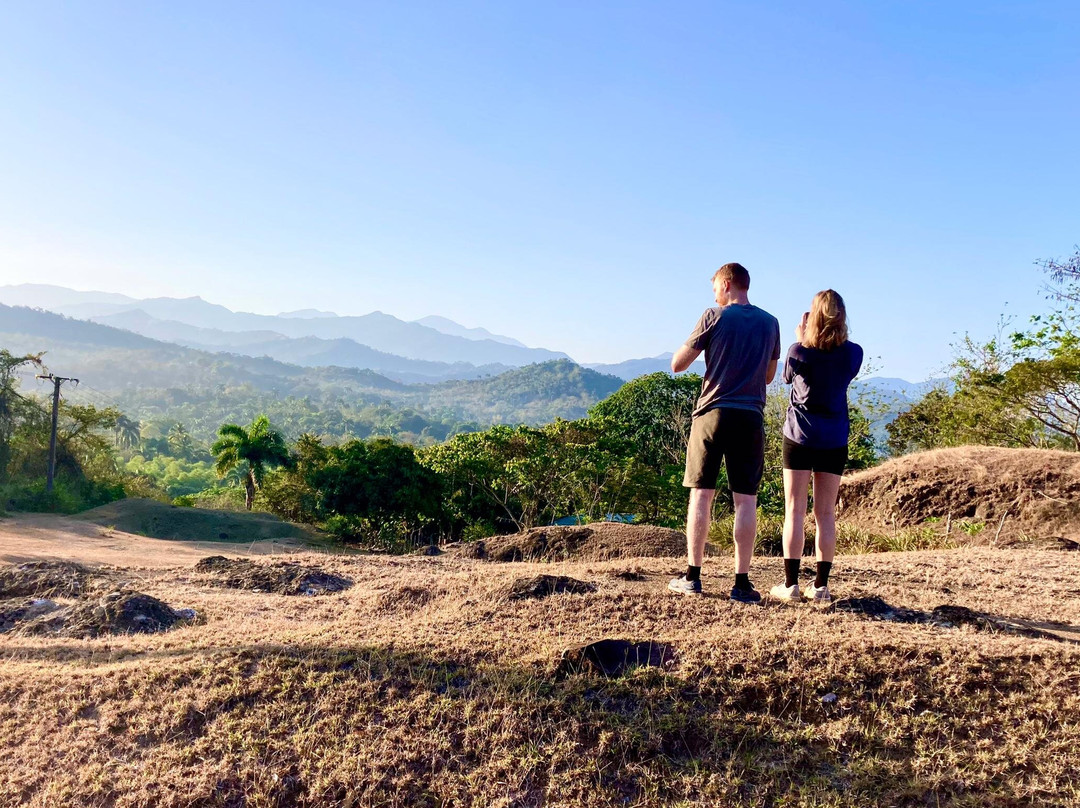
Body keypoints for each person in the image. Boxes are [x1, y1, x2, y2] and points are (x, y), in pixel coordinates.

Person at [668, 263, 781, 602]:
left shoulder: (713, 315)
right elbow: (768, 376)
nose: (714, 292)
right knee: (745, 500)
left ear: (728, 283)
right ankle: (742, 582)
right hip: (750, 415)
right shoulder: (770, 323)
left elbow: (678, 364)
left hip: (712, 413)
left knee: (701, 494)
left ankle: (693, 576)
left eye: (716, 285)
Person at [769, 289, 863, 604]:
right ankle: (821, 586)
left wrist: (800, 336)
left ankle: (790, 584)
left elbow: (786, 377)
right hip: (834, 438)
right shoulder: (854, 353)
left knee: (794, 510)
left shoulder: (799, 351)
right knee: (825, 513)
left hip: (798, 436)